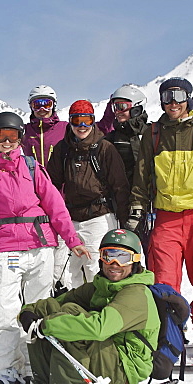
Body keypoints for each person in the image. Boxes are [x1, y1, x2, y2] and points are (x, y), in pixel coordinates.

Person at [0, 112, 89, 384]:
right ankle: (5, 371)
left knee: (39, 310)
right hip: (6, 248)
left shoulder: (33, 168)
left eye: (12, 136)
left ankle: (40, 367)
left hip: (40, 246)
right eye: (1, 137)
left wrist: (71, 240)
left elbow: (55, 206)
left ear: (20, 138)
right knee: (3, 310)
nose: (7, 142)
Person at [128, 76, 193, 362]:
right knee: (163, 282)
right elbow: (142, 178)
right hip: (165, 219)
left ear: (188, 98)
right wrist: (136, 212)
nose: (172, 103)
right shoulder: (153, 134)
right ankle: (170, 334)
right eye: (166, 97)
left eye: (178, 96)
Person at [16, 229, 159, 384]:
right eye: (108, 255)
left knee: (71, 318)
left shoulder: (136, 295)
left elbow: (98, 328)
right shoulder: (99, 287)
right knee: (49, 309)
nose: (114, 264)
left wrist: (46, 325)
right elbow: (56, 303)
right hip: (106, 362)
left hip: (121, 375)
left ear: (135, 261)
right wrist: (30, 311)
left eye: (123, 257)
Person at [46, 100, 130, 290]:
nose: (81, 126)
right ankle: (76, 309)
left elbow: (120, 186)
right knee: (67, 271)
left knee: (95, 267)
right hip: (71, 216)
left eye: (86, 121)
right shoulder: (63, 149)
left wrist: (125, 222)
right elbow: (51, 185)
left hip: (99, 215)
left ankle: (99, 309)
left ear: (93, 121)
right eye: (77, 121)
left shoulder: (104, 148)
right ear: (70, 122)